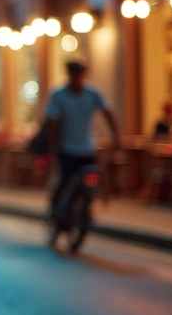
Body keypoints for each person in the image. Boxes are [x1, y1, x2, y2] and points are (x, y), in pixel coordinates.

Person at [44, 61, 119, 215]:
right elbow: (51, 122)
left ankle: (85, 211)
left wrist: (116, 138)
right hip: (66, 149)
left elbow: (108, 114)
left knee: (91, 183)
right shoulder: (59, 95)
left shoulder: (92, 93)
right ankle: (56, 210)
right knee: (64, 182)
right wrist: (53, 146)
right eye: (74, 74)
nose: (77, 78)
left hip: (88, 148)